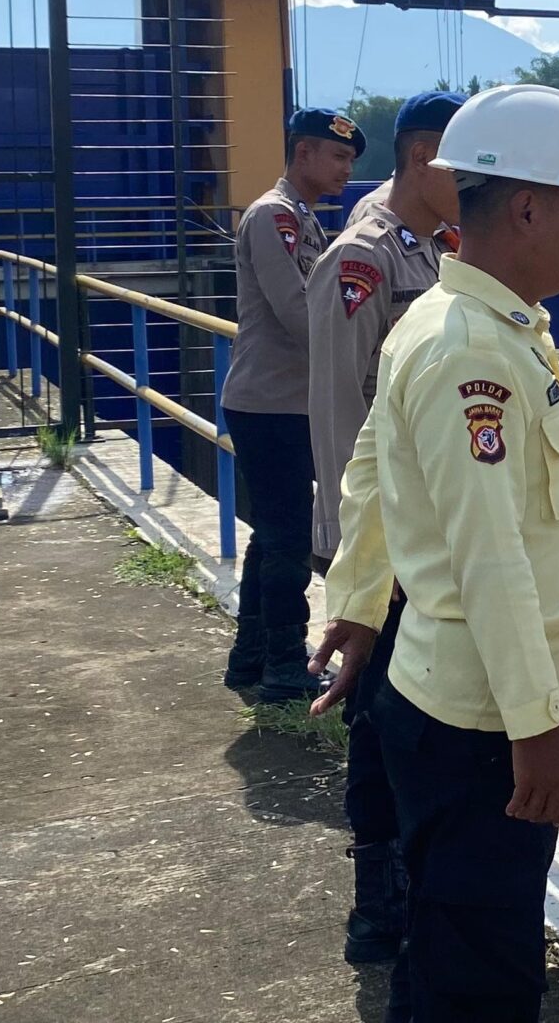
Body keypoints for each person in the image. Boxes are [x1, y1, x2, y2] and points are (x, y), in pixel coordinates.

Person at [311, 83, 559, 1021]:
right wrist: (538, 729)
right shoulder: (474, 350)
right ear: (529, 207)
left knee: (446, 941)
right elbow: (488, 551)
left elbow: (377, 474)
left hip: (443, 696)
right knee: (484, 975)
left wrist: (360, 606)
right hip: (483, 726)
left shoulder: (476, 325)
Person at [302, 90, 463, 967]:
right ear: (424, 154)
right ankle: (377, 905)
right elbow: (337, 417)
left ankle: (417, 883)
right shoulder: (362, 259)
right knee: (379, 725)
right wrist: (349, 555)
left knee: (419, 722)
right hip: (381, 546)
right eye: (463, 164)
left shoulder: (433, 254)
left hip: (426, 540)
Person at [220, 107, 360, 703]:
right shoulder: (275, 217)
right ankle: (283, 664)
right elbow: (300, 311)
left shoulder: (302, 219)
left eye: (351, 161)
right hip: (270, 402)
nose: (346, 171)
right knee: (287, 536)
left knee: (271, 534)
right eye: (337, 157)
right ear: (302, 153)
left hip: (284, 401)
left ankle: (251, 658)